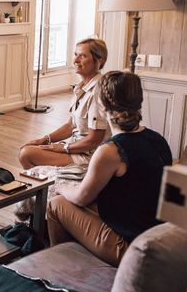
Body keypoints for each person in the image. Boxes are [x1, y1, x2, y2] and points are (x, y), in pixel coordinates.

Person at [47, 71, 172, 266]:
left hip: (132, 248)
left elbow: (81, 197)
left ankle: (63, 269)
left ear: (102, 106)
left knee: (56, 204)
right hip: (159, 237)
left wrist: (62, 186)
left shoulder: (111, 151)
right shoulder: (158, 139)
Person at [19, 38, 110, 169]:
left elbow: (94, 140)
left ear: (99, 60)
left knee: (26, 154)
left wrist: (64, 148)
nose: (76, 60)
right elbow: (70, 125)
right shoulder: (81, 88)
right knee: (29, 148)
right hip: (76, 149)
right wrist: (44, 140)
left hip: (89, 157)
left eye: (82, 56)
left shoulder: (98, 92)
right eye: (75, 54)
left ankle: (45, 186)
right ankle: (47, 185)